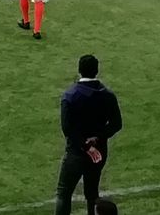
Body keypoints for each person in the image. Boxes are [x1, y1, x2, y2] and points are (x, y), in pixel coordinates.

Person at [54, 55, 123, 215]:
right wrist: (97, 137)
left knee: (64, 193)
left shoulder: (70, 96)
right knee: (92, 194)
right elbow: (116, 124)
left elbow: (67, 129)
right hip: (98, 152)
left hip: (76, 152)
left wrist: (85, 146)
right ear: (97, 70)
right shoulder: (108, 95)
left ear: (79, 70)